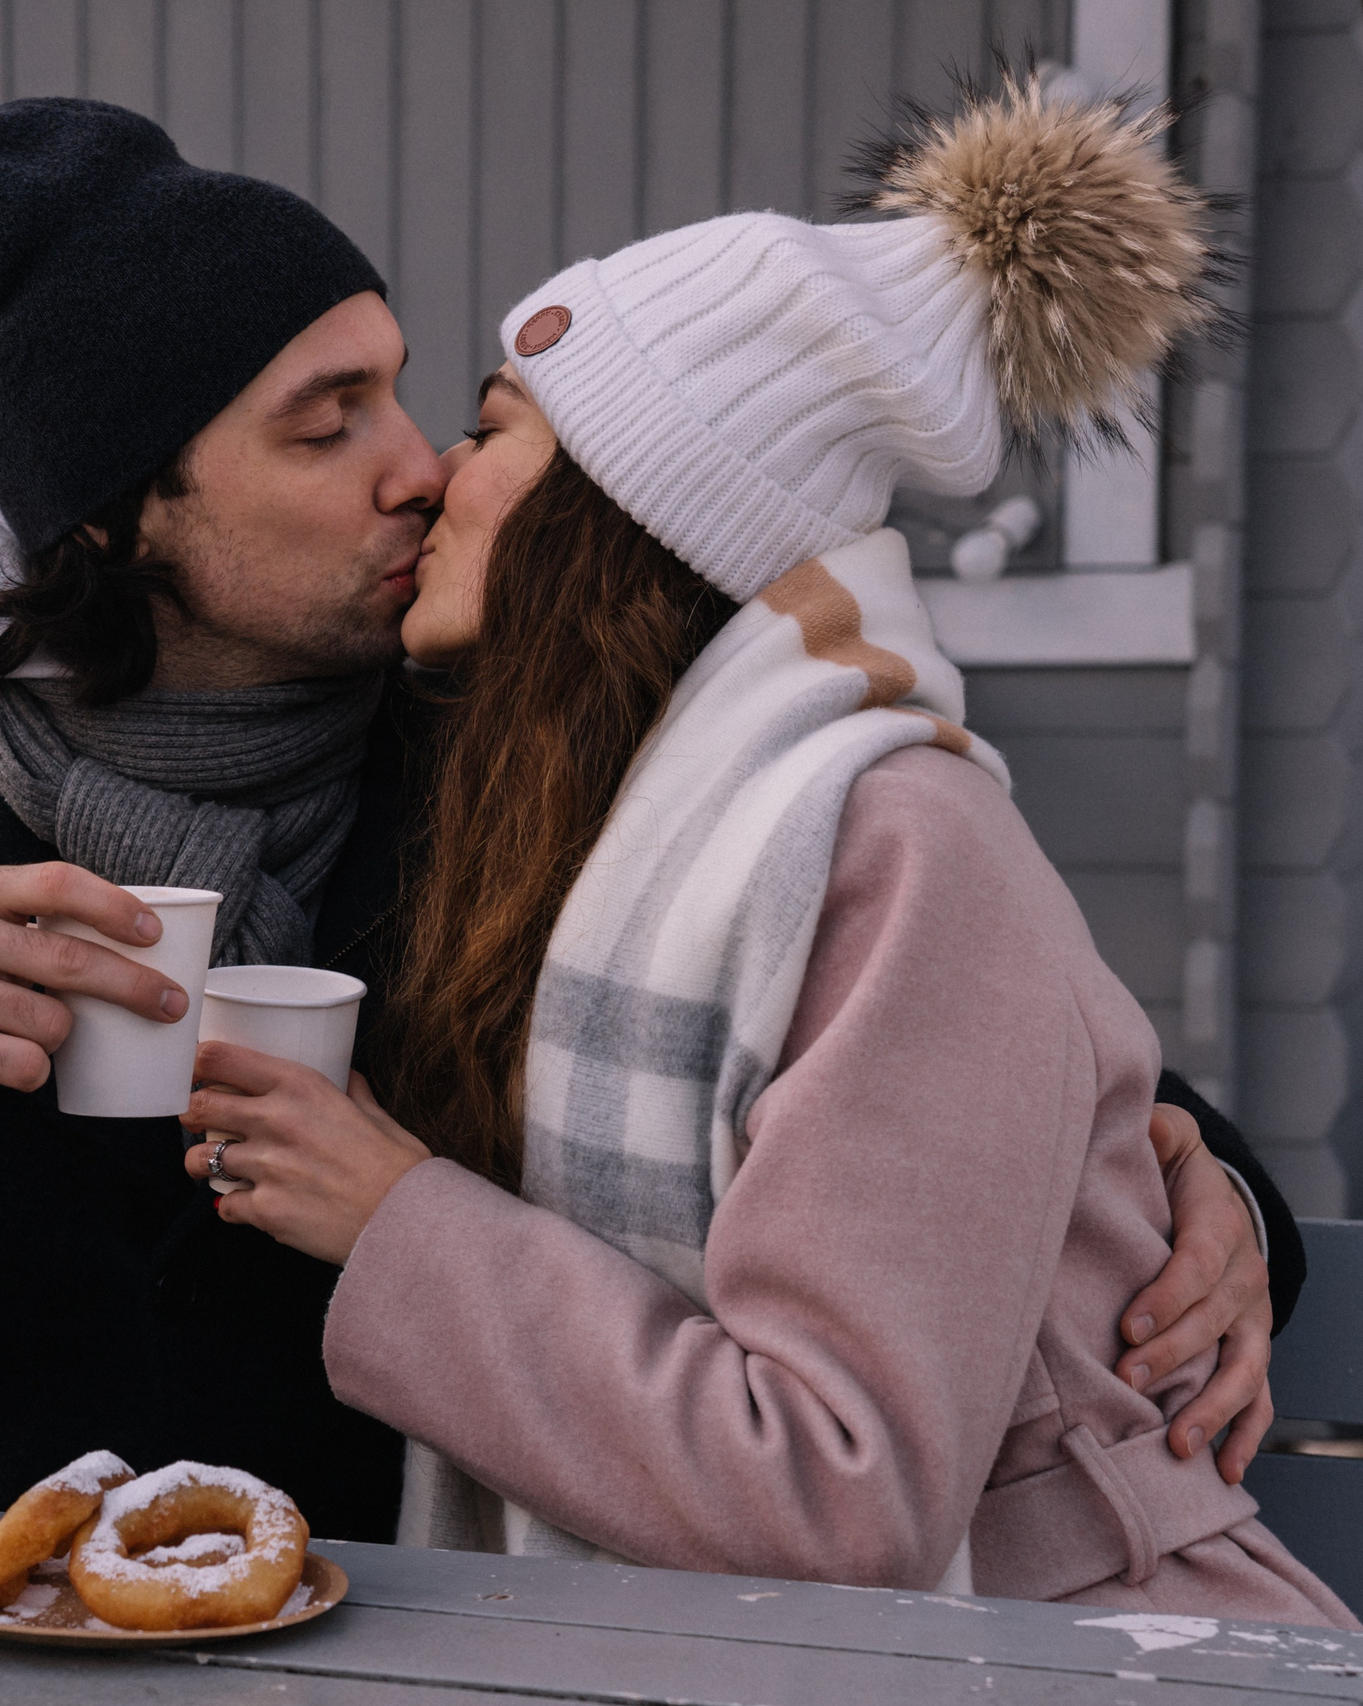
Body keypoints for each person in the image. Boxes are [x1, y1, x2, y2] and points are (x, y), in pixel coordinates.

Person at [0, 97, 1290, 1546]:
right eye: (324, 421)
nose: (419, 468)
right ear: (120, 516)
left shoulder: (520, 784)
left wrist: (1204, 1186)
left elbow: (947, 1028)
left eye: (405, 394)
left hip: (388, 1650)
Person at [178, 80, 1352, 1621]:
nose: (439, 477)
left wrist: (394, 1216)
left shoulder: (897, 845)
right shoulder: (600, 837)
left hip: (1086, 1651)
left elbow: (838, 1492)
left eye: (494, 431)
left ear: (633, 504)